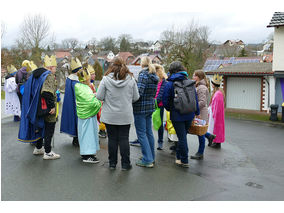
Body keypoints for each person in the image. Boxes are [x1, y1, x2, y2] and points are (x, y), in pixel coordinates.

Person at [97, 57, 139, 170]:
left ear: (112, 65)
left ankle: (112, 163)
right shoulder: (131, 79)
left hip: (110, 115)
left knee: (112, 139)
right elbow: (136, 97)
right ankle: (125, 164)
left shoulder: (105, 79)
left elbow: (99, 96)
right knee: (124, 139)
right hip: (125, 115)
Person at [18, 55, 60, 159]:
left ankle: (38, 148)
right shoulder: (48, 75)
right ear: (50, 67)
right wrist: (52, 107)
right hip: (47, 108)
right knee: (49, 128)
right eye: (55, 67)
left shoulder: (36, 74)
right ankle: (48, 152)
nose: (56, 69)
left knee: (40, 126)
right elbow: (46, 92)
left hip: (37, 107)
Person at [162, 61, 200, 168]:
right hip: (190, 114)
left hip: (177, 115)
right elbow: (195, 99)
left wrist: (170, 109)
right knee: (182, 136)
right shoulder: (189, 82)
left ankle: (184, 160)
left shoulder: (170, 83)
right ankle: (179, 157)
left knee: (181, 138)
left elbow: (165, 100)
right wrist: (196, 113)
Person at [133, 56, 159, 168]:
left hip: (140, 108)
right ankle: (151, 156)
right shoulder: (154, 76)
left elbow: (139, 93)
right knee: (149, 133)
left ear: (141, 64)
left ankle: (147, 159)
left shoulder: (143, 75)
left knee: (141, 134)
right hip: (149, 107)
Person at [75, 66, 101, 163]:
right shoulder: (86, 89)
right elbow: (91, 103)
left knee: (83, 134)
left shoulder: (79, 86)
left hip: (82, 116)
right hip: (88, 116)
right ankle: (88, 156)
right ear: (86, 80)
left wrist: (93, 96)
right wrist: (98, 102)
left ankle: (85, 153)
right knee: (88, 135)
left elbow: (86, 99)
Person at [60, 58, 81, 147]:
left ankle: (76, 138)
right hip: (75, 103)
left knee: (73, 119)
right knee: (76, 120)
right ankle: (76, 139)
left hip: (71, 102)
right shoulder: (74, 80)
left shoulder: (70, 79)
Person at [190, 70, 210, 160]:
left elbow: (202, 102)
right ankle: (210, 136)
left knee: (200, 133)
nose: (193, 77)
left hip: (201, 113)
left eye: (194, 75)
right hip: (199, 112)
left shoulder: (201, 87)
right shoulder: (199, 86)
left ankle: (200, 153)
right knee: (199, 131)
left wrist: (193, 108)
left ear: (198, 77)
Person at [206, 74, 225, 149]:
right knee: (215, 128)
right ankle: (215, 141)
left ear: (213, 84)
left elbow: (217, 107)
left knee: (216, 128)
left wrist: (214, 114)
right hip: (214, 114)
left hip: (216, 115)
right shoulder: (218, 93)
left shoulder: (218, 94)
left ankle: (217, 142)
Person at [153, 64, 167, 150]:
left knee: (160, 123)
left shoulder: (164, 82)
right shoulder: (155, 80)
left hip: (159, 106)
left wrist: (154, 103)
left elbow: (160, 94)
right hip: (153, 104)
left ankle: (160, 141)